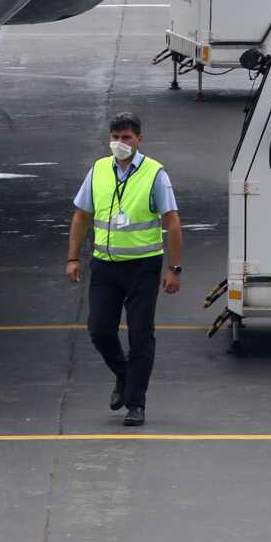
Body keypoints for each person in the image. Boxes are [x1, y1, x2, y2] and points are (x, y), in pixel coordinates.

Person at [64, 113, 185, 427]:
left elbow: (171, 222)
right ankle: (124, 373)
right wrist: (73, 258)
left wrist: (174, 268)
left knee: (141, 335)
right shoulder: (99, 170)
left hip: (142, 267)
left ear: (139, 140)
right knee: (100, 330)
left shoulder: (155, 174)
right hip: (104, 266)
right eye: (115, 137)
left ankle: (136, 403)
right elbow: (81, 215)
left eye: (127, 137)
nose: (120, 143)